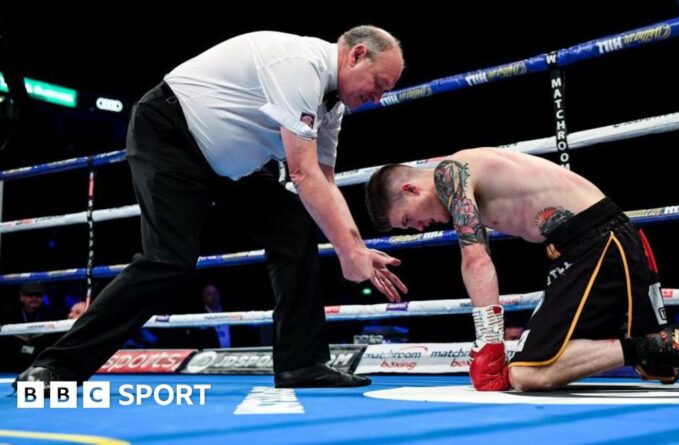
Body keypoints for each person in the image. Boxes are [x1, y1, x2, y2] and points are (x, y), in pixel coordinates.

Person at [15, 25, 407, 392]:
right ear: (356, 55)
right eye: (379, 84)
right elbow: (303, 174)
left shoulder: (331, 109)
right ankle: (56, 367)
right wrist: (348, 250)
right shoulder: (299, 63)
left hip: (231, 167)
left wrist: (354, 244)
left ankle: (301, 364)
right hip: (170, 134)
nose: (377, 97)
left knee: (293, 226)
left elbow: (324, 179)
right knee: (169, 259)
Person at [365, 147, 679, 392]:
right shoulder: (464, 175)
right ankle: (657, 348)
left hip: (597, 243)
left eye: (409, 221)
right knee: (656, 371)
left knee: (526, 374)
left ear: (411, 189)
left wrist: (490, 342)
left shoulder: (449, 174)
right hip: (591, 248)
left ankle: (661, 343)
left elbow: (476, 258)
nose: (420, 228)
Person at [0, 282, 59, 372]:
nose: (34, 298)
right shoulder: (8, 316)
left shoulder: (52, 316)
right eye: (30, 295)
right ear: (21, 296)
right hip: (11, 367)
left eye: (38, 295)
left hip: (41, 367)